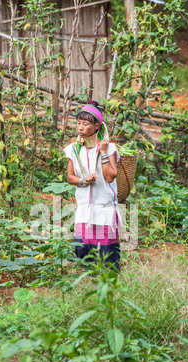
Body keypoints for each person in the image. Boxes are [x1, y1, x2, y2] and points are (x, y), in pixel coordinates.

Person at [64, 100, 121, 271]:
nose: (80, 127)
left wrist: (103, 152)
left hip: (104, 208)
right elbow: (70, 177)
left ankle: (110, 286)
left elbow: (110, 177)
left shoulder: (109, 148)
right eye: (79, 123)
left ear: (97, 126)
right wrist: (83, 181)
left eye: (86, 124)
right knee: (83, 250)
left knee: (107, 255)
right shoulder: (73, 149)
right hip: (84, 209)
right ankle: (88, 283)